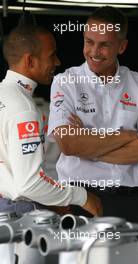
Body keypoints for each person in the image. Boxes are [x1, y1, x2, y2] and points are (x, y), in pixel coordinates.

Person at [48, 6, 138, 223]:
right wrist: (128, 136)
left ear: (122, 46)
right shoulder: (65, 81)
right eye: (89, 42)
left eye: (104, 44)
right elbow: (69, 145)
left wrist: (88, 144)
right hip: (80, 200)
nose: (94, 52)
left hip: (131, 202)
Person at [0, 25, 102, 216]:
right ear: (30, 60)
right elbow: (29, 184)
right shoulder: (24, 109)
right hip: (17, 213)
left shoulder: (4, 95)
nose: (57, 62)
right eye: (52, 55)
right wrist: (83, 197)